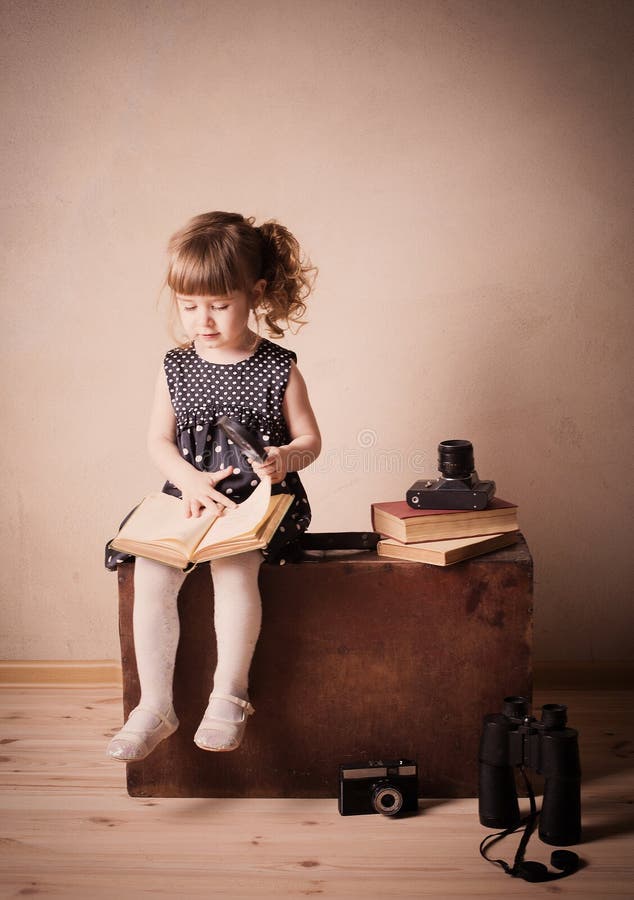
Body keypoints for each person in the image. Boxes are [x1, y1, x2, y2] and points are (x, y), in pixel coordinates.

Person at [106, 211, 321, 761]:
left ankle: (229, 693)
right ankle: (154, 706)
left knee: (234, 569)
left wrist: (284, 458)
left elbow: (310, 440)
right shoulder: (176, 366)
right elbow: (159, 442)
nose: (202, 319)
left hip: (256, 505)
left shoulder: (277, 366)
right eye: (188, 306)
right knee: (151, 575)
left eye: (219, 306)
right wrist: (190, 481)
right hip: (192, 497)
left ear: (256, 293)